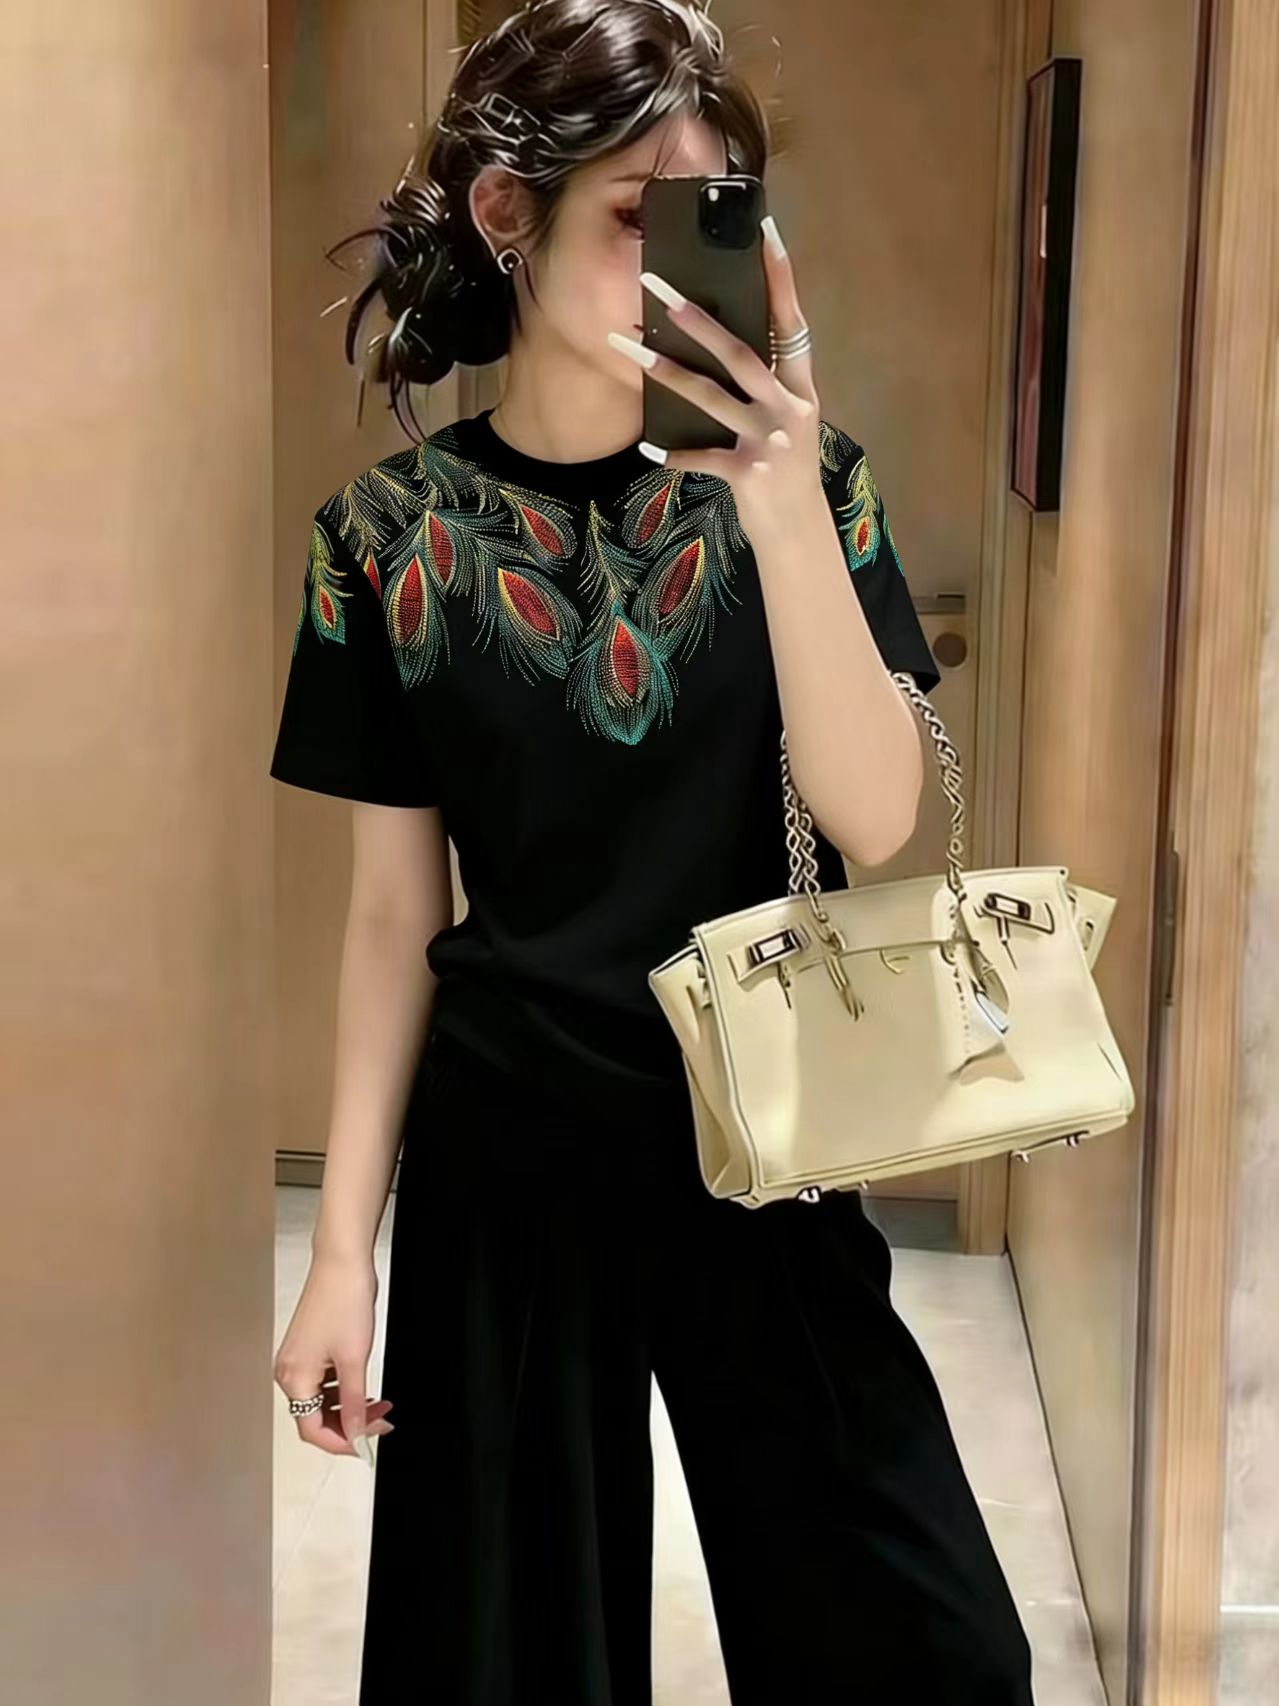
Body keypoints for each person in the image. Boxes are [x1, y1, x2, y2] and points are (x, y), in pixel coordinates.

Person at [269, 2, 1036, 1702]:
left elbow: (881, 821)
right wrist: (338, 1255)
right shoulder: (382, 541)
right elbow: (394, 916)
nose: (683, 260)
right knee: (499, 1662)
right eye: (638, 214)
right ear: (506, 214)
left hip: (768, 1131)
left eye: (717, 216)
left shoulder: (804, 487)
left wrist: (780, 499)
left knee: (926, 1649)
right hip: (508, 1160)